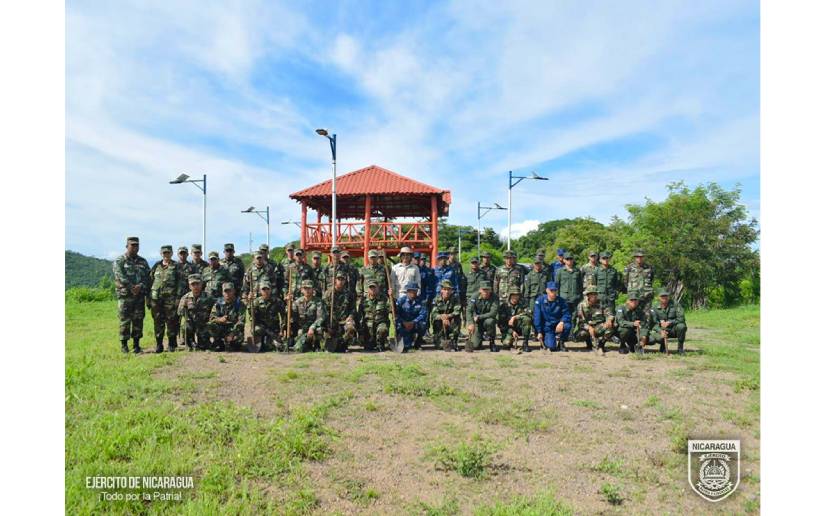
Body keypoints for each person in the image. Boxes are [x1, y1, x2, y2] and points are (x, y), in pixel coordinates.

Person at [113, 236, 151, 353]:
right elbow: (119, 275)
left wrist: (140, 286)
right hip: (125, 296)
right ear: (127, 246)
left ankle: (136, 345)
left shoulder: (143, 261)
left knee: (138, 320)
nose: (135, 247)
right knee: (125, 320)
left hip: (139, 296)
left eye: (136, 245)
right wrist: (131, 287)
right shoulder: (120, 260)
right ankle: (124, 345)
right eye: (132, 245)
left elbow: (148, 277)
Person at [149, 244, 185, 352]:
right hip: (156, 300)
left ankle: (171, 344)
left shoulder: (176, 266)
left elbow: (181, 283)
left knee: (171, 322)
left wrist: (178, 298)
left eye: (168, 253)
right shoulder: (156, 265)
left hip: (171, 299)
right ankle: (159, 344)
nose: (166, 255)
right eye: (164, 253)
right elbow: (150, 281)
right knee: (158, 322)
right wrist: (149, 298)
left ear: (172, 253)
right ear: (161, 254)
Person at [177, 274, 215, 351]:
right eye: (193, 284)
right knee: (185, 326)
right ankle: (190, 342)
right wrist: (183, 306)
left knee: (203, 346)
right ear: (189, 286)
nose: (195, 286)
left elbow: (215, 310)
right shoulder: (185, 297)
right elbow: (179, 313)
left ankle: (204, 342)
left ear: (201, 284)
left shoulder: (208, 297)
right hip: (191, 323)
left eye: (197, 284)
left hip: (203, 324)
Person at [572, 286, 615, 354]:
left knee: (613, 325)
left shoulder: (602, 303)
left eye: (595, 294)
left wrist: (609, 320)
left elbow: (609, 314)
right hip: (587, 328)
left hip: (599, 326)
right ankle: (589, 343)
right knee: (582, 334)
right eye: (592, 294)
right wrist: (589, 327)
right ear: (588, 295)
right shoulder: (581, 305)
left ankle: (601, 345)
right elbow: (581, 322)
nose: (594, 296)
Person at [533, 281, 571, 352]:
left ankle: (561, 343)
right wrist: (539, 331)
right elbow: (537, 317)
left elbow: (567, 314)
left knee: (567, 325)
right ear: (547, 290)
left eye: (555, 290)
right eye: (551, 291)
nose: (553, 293)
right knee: (551, 347)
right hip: (547, 327)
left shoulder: (561, 301)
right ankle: (545, 339)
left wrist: (562, 322)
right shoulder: (540, 300)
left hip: (557, 324)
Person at [324, 271, 358, 352]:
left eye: (342, 279)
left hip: (345, 321)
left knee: (350, 328)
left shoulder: (349, 294)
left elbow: (353, 309)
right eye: (339, 279)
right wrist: (327, 323)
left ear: (345, 281)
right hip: (332, 321)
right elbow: (324, 310)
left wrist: (350, 317)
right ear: (335, 280)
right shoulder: (328, 293)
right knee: (325, 331)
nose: (340, 281)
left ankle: (343, 343)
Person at [647, 289, 688, 355]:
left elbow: (681, 318)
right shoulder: (654, 307)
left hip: (674, 329)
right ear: (658, 297)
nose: (664, 298)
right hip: (663, 329)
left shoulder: (675, 304)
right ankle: (663, 346)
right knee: (658, 334)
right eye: (662, 296)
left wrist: (670, 322)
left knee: (681, 326)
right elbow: (653, 323)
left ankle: (680, 348)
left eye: (666, 296)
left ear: (668, 296)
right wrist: (660, 328)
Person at [208, 282, 246, 351]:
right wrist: (220, 319)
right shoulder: (218, 303)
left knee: (235, 345)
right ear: (222, 293)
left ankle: (230, 343)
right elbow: (212, 318)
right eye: (225, 291)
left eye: (229, 291)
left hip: (234, 330)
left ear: (234, 291)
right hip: (222, 328)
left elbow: (241, 322)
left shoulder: (239, 304)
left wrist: (232, 333)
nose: (227, 293)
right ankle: (218, 342)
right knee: (210, 325)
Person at [290, 280, 326, 352]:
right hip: (302, 328)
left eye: (309, 288)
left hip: (314, 327)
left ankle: (317, 345)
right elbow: (292, 316)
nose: (307, 290)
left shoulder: (318, 302)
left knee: (319, 330)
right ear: (302, 290)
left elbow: (320, 317)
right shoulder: (297, 302)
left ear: (313, 289)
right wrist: (288, 304)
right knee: (299, 340)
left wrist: (312, 327)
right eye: (305, 288)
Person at [251, 281, 286, 352]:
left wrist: (282, 330)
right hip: (261, 328)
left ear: (271, 290)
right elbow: (252, 315)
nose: (266, 291)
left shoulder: (277, 301)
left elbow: (283, 316)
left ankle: (268, 342)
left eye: (268, 289)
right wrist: (250, 302)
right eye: (263, 289)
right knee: (256, 329)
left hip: (273, 329)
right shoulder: (256, 302)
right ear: (260, 291)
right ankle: (259, 342)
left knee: (278, 347)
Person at [466, 281, 499, 352]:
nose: (485, 292)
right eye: (484, 290)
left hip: (487, 321)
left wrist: (479, 317)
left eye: (487, 290)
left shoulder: (495, 297)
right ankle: (479, 338)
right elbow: (469, 310)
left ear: (490, 290)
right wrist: (470, 323)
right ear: (480, 290)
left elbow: (493, 313)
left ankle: (492, 341)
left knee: (490, 321)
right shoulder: (474, 296)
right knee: (475, 346)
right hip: (477, 323)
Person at [395, 282, 428, 352]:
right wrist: (403, 322)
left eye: (415, 290)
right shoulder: (401, 301)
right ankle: (406, 340)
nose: (413, 293)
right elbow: (396, 314)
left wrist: (413, 322)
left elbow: (423, 314)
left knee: (423, 324)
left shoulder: (421, 301)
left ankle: (418, 343)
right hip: (403, 324)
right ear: (407, 291)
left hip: (414, 324)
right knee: (407, 346)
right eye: (411, 291)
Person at [430, 279, 462, 351]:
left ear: (451, 290)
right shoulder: (436, 300)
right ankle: (440, 338)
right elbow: (434, 314)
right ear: (441, 290)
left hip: (451, 321)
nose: (447, 291)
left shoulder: (455, 298)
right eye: (445, 289)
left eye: (449, 289)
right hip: (440, 323)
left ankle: (454, 341)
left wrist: (447, 316)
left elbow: (457, 311)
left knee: (456, 319)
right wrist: (442, 317)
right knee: (440, 346)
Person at [498, 288, 532, 353]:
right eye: (513, 295)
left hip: (520, 328)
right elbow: (501, 324)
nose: (515, 297)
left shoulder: (523, 303)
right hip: (508, 330)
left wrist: (515, 317)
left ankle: (525, 343)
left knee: (527, 319)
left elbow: (529, 313)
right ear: (510, 296)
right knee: (506, 344)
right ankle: (511, 340)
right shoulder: (504, 306)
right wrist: (512, 332)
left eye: (517, 295)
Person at [359, 280, 390, 351]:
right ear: (368, 289)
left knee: (382, 329)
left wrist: (391, 298)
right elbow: (360, 316)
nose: (373, 290)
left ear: (378, 288)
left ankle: (381, 344)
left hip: (380, 323)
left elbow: (392, 310)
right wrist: (360, 332)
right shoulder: (363, 300)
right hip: (368, 327)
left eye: (374, 288)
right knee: (368, 347)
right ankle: (369, 342)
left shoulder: (384, 298)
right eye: (371, 288)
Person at [555, 252, 583, 317]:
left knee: (574, 317)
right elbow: (557, 286)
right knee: (565, 316)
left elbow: (580, 285)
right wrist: (557, 298)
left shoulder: (577, 271)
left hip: (575, 298)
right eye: (567, 259)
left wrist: (581, 297)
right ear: (564, 260)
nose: (569, 260)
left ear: (573, 260)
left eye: (571, 259)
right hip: (564, 298)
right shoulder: (560, 271)